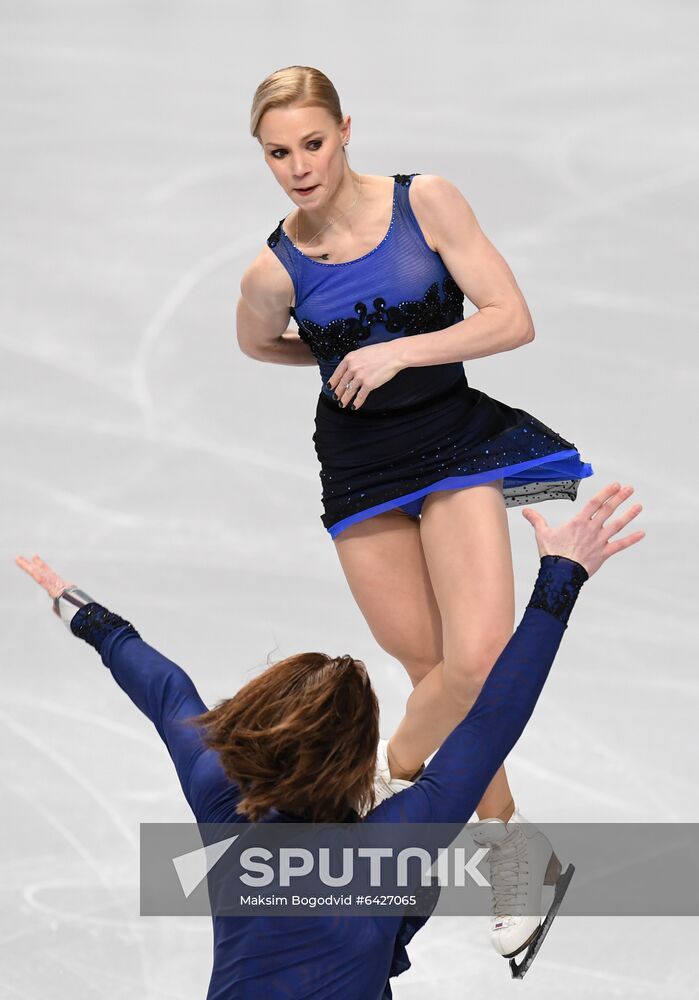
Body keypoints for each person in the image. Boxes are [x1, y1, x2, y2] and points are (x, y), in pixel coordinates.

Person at [16, 483, 644, 997]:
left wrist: (82, 612)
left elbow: (165, 691)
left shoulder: (223, 799)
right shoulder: (394, 842)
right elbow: (491, 718)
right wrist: (562, 574)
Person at [236, 65, 595, 960]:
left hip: (454, 443)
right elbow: (258, 343)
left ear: (345, 130)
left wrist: (397, 353)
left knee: (474, 663)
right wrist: (340, 359)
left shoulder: (423, 201)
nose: (298, 166)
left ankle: (387, 781)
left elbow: (510, 318)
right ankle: (512, 843)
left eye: (312, 143)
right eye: (278, 153)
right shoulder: (271, 269)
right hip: (359, 469)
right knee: (429, 663)